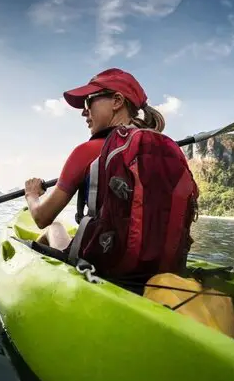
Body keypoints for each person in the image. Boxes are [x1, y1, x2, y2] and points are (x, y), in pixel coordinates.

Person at [24, 68, 166, 251]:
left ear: (117, 101)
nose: (84, 112)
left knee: (54, 226)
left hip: (104, 264)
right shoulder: (158, 151)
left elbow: (42, 218)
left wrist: (32, 195)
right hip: (153, 262)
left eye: (89, 101)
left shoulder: (87, 152)